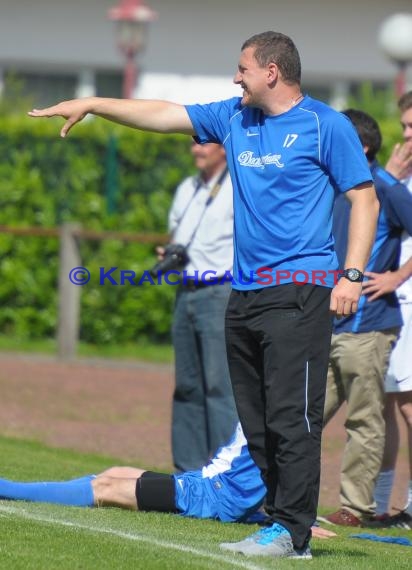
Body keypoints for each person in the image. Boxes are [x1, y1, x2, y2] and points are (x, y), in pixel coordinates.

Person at [28, 30, 378, 559]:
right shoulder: (235, 118)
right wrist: (94, 104)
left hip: (301, 291)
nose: (235, 77)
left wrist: (351, 277)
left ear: (271, 72)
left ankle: (293, 534)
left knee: (292, 418)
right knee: (256, 421)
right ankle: (274, 520)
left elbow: (364, 198)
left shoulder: (325, 125)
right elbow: (163, 114)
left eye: (242, 68)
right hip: (244, 294)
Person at [0, 420, 336, 539]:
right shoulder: (265, 394)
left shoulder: (281, 403)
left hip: (213, 495)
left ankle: (6, 489)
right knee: (114, 473)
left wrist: (293, 521)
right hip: (207, 484)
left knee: (106, 488)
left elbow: (290, 462)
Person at [322, 109, 412, 527]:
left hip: (367, 324)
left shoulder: (386, 189)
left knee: (364, 418)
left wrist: (397, 276)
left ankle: (355, 509)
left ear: (360, 147)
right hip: (323, 323)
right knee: (301, 414)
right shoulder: (331, 184)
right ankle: (279, 495)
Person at [160, 141, 238, 472]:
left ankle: (224, 471)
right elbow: (176, 235)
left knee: (220, 386)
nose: (196, 150)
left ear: (224, 148)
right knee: (188, 385)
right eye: (193, 144)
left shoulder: (237, 186)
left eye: (204, 143)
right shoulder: (186, 188)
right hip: (185, 291)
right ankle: (188, 470)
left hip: (220, 291)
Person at [371, 91, 412, 529]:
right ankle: (381, 505)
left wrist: (397, 277)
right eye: (403, 126)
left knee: (407, 407)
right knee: (383, 404)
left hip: (407, 300)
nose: (405, 135)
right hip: (392, 305)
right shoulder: (400, 175)